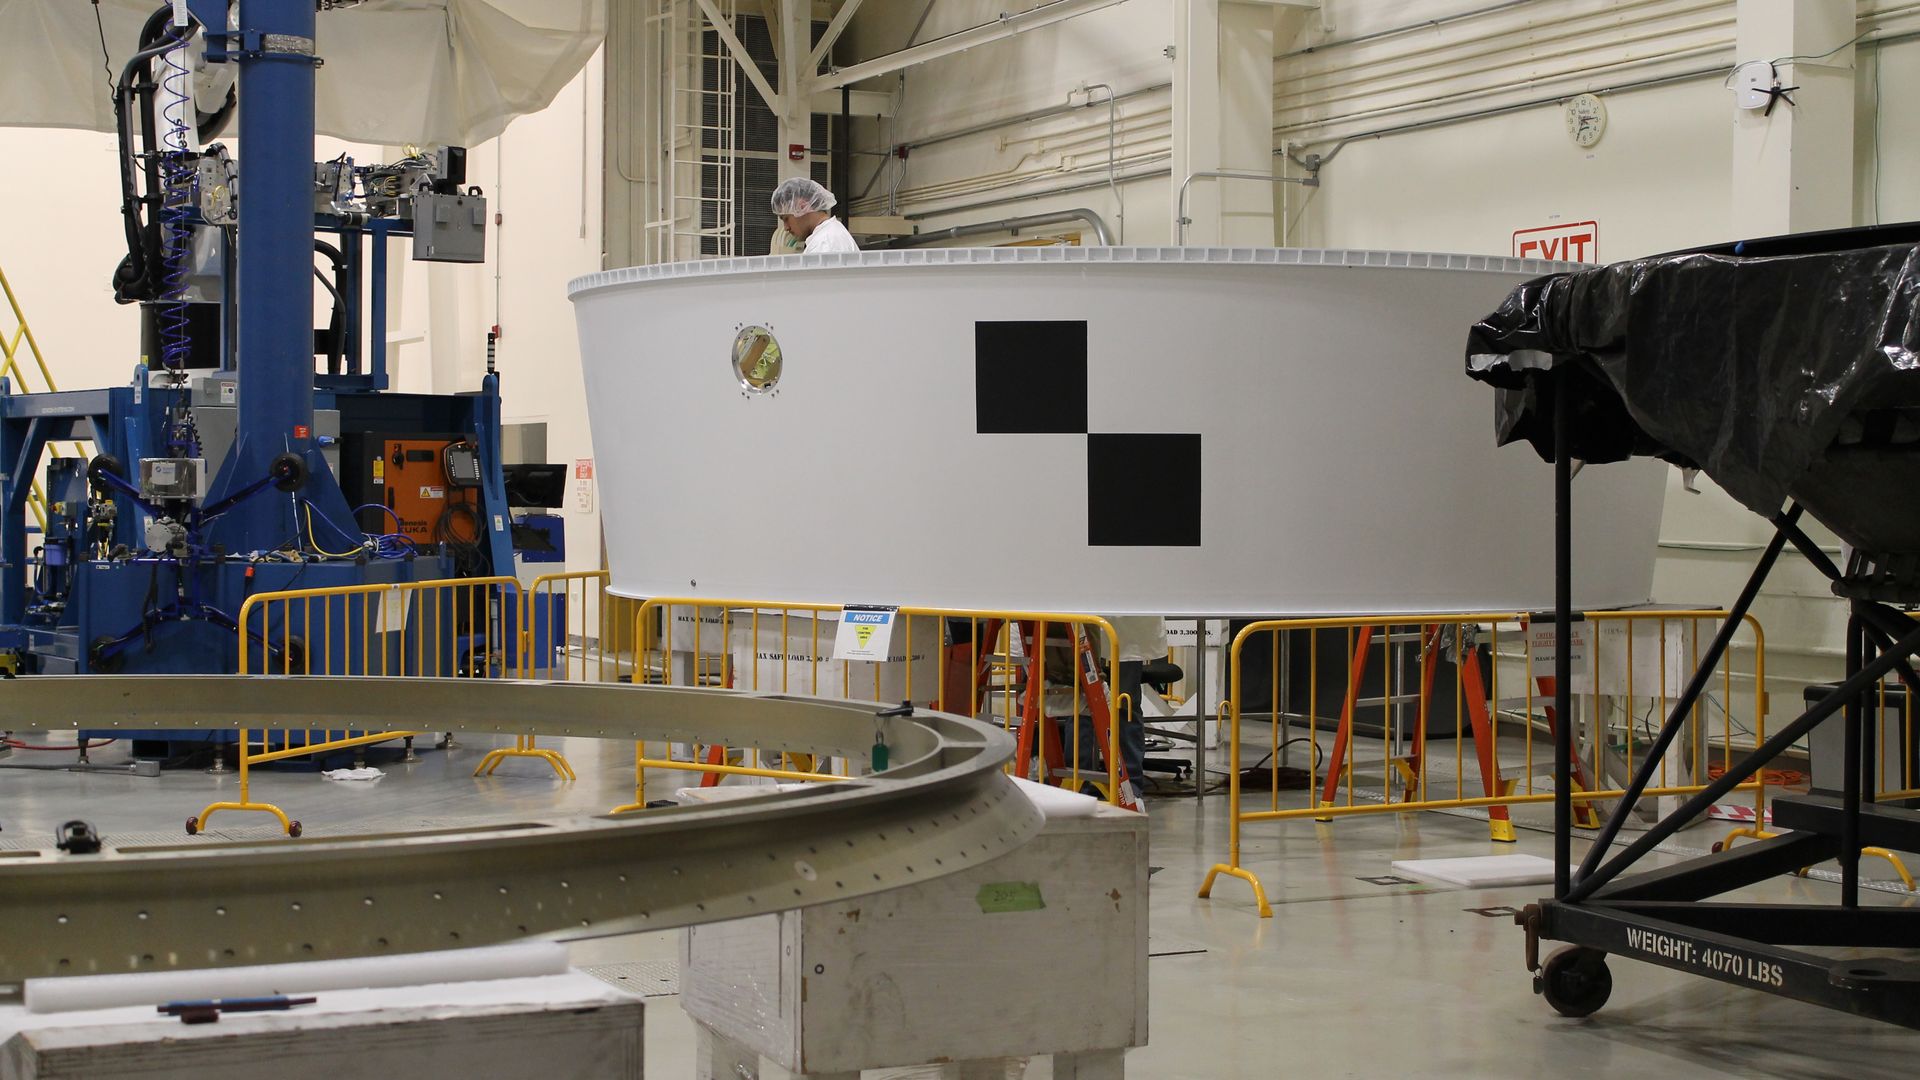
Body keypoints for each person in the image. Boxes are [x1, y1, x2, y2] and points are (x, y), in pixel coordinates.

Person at [769, 177, 859, 254]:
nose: (786, 228)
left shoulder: (825, 243)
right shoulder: (827, 235)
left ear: (802, 207)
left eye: (786, 219)